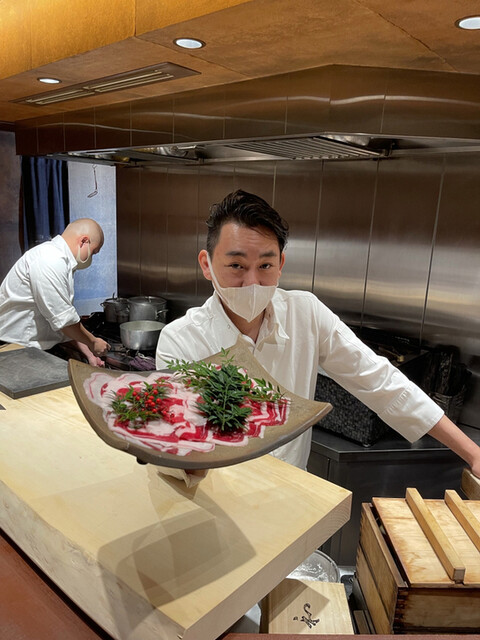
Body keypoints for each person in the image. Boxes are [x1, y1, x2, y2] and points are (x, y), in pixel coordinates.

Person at [156, 189, 480, 477]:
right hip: (217, 499)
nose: (252, 283)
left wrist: (473, 453)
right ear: (207, 264)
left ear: (281, 264)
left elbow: (380, 380)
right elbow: (178, 442)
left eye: (265, 266)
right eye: (236, 266)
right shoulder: (181, 340)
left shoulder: (306, 313)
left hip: (294, 498)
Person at [0, 218, 110, 366]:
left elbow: (63, 321)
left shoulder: (61, 262)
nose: (91, 258)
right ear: (84, 241)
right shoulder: (49, 259)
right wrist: (93, 342)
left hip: (30, 350)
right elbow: (64, 320)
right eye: (93, 252)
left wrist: (90, 354)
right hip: (14, 351)